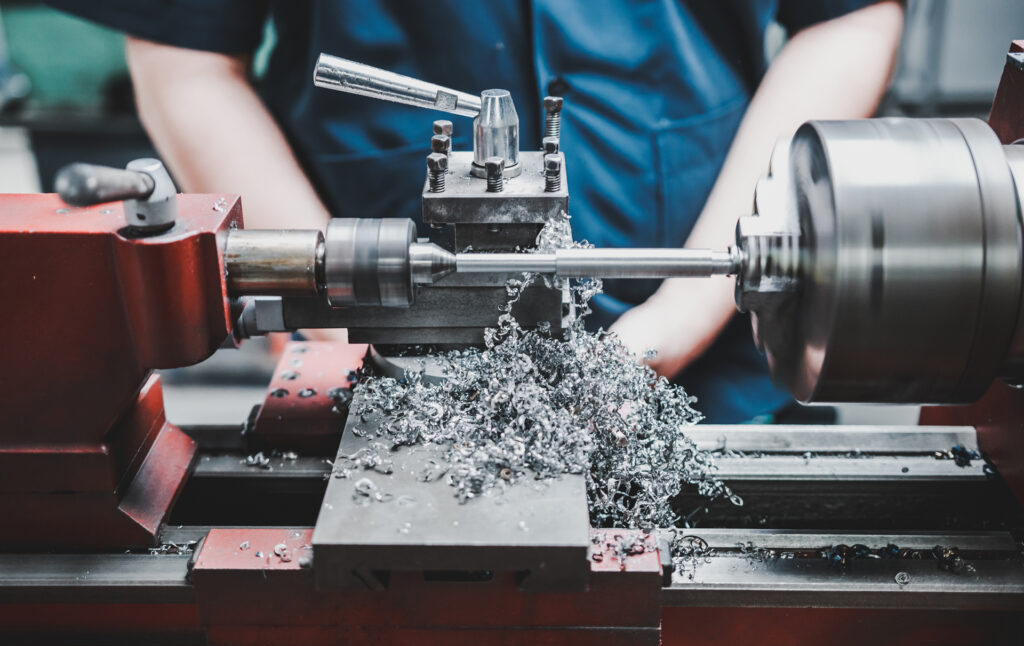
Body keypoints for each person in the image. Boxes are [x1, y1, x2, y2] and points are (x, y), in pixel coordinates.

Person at [49, 0, 903, 423]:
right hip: (373, 357)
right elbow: (187, 53)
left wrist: (681, 316)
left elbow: (844, 16)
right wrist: (340, 329)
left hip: (718, 345)